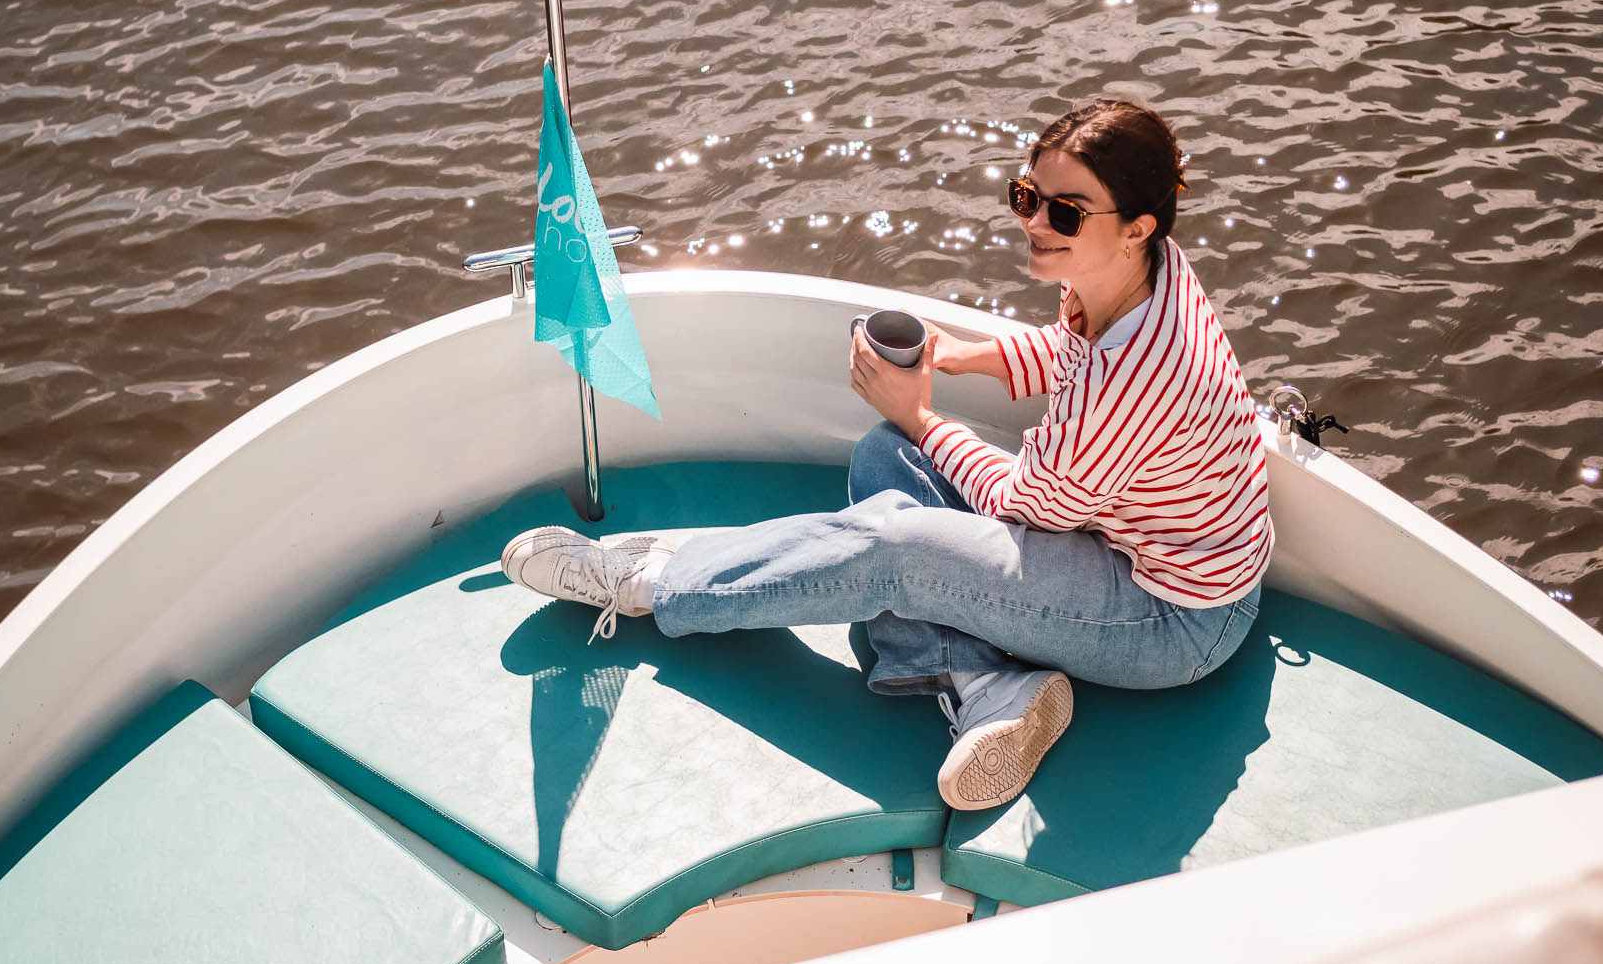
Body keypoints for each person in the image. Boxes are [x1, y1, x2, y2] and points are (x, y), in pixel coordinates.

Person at [501, 98, 1271, 811]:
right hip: (1121, 540)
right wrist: (963, 356)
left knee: (898, 544)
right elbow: (1067, 353)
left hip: (1168, 619)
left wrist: (924, 412)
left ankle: (657, 582)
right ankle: (988, 687)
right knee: (884, 456)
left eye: (1064, 211)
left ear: (1137, 225)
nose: (1036, 222)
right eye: (1026, 197)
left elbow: (1026, 506)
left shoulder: (1137, 377)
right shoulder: (1136, 279)